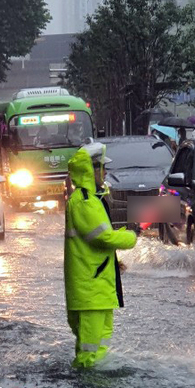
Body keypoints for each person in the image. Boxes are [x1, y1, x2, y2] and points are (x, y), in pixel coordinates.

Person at [64, 142, 137, 369]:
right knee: (89, 349)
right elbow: (103, 237)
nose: (105, 173)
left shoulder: (90, 199)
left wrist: (114, 262)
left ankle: (95, 383)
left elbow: (94, 243)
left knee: (99, 343)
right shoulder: (85, 202)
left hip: (97, 286)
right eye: (102, 169)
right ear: (92, 170)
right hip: (91, 289)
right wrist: (130, 237)